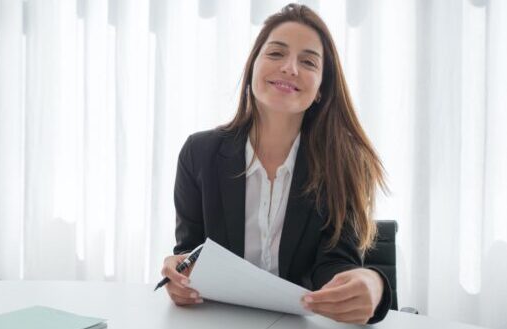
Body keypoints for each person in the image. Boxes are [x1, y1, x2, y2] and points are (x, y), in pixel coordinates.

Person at [159, 3, 392, 325]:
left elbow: (336, 264)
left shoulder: (347, 163)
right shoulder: (199, 153)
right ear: (252, 67)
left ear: (321, 89)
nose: (290, 68)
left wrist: (372, 283)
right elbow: (192, 250)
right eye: (276, 54)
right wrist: (180, 272)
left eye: (308, 61)